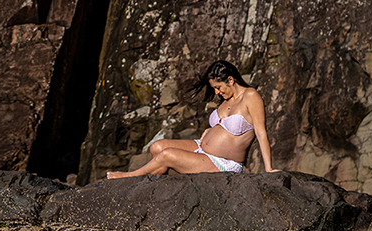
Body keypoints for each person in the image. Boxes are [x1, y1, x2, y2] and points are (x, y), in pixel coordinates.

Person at [107, 60, 277, 178]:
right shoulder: (226, 99)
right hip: (201, 148)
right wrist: (210, 130)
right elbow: (224, 127)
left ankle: (130, 176)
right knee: (157, 147)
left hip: (223, 163)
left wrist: (269, 169)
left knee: (167, 155)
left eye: (218, 87)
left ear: (231, 80)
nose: (217, 92)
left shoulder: (251, 96)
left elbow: (261, 133)